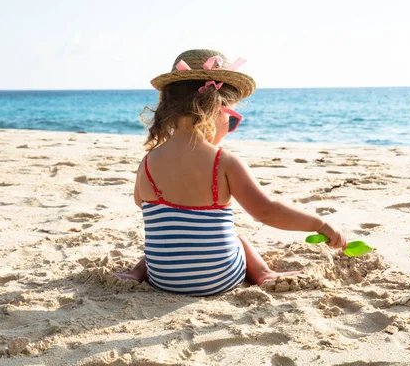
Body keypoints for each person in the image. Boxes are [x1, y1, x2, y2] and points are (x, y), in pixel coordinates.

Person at [114, 49, 347, 296]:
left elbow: (142, 203)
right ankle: (264, 273)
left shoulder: (148, 162)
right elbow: (267, 211)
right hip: (220, 278)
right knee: (238, 239)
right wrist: (320, 224)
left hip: (164, 279)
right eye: (233, 120)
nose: (232, 127)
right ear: (215, 110)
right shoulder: (223, 162)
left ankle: (135, 273)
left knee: (165, 238)